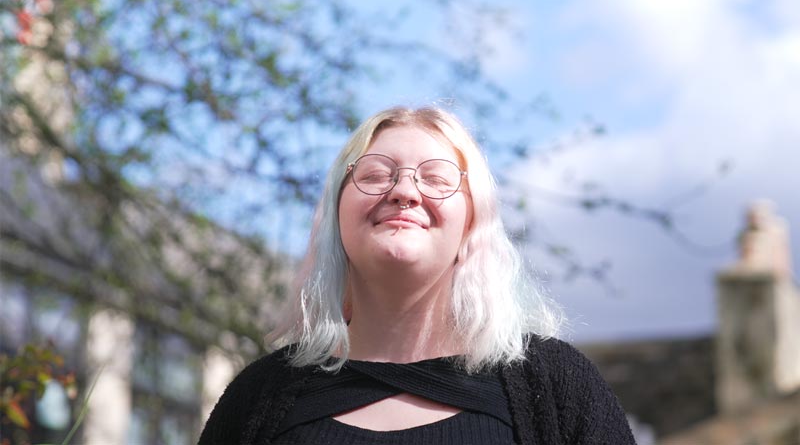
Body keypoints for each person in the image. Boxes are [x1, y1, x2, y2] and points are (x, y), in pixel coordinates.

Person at [199, 106, 636, 444]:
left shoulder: (555, 386)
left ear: (472, 225)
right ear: (336, 216)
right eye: (375, 175)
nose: (405, 191)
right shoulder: (262, 394)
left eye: (436, 178)